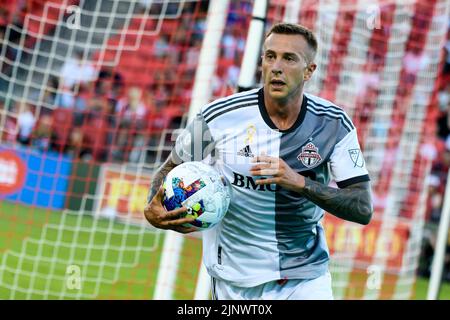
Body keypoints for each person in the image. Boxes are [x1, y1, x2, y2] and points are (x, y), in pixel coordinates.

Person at [144, 23, 373, 300]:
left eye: (289, 59)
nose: (277, 66)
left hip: (303, 278)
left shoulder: (334, 124)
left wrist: (300, 183)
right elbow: (171, 167)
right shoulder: (218, 116)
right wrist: (152, 206)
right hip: (233, 280)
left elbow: (362, 207)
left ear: (309, 70)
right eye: (270, 56)